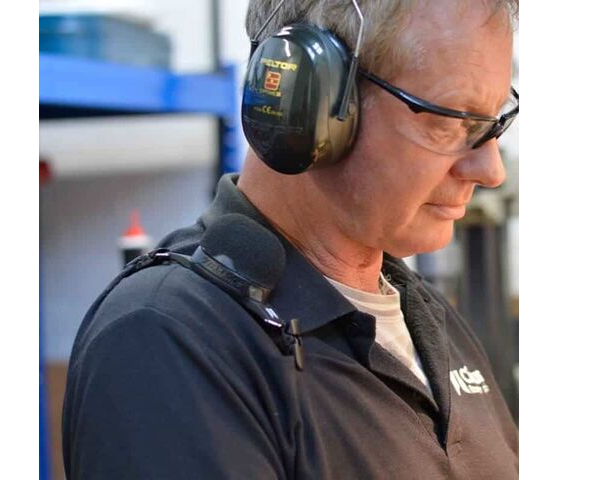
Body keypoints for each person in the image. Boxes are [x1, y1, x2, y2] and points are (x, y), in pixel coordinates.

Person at [62, 0, 519, 478]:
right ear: (305, 98)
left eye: (495, 122)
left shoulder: (428, 317)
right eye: (451, 120)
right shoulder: (169, 344)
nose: (491, 170)